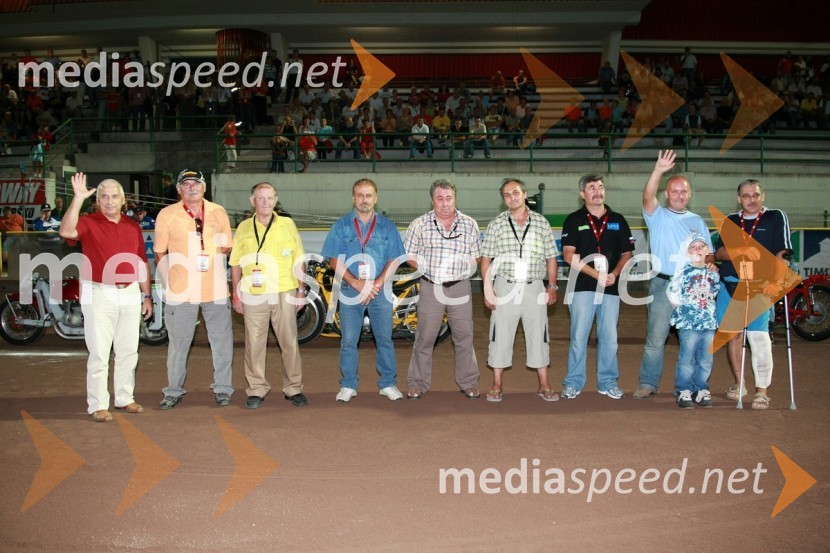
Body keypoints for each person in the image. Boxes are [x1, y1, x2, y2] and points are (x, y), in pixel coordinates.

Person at [58, 173, 152, 422]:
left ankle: (124, 398)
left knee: (128, 351)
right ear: (97, 200)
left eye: (114, 196)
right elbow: (67, 231)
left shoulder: (132, 226)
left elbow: (141, 261)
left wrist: (147, 295)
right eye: (104, 196)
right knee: (100, 352)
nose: (109, 201)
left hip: (131, 292)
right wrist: (78, 199)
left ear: (123, 200)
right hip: (99, 292)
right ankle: (98, 404)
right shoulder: (88, 222)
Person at [634, 150, 714, 399]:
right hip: (663, 285)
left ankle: (692, 387)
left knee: (693, 340)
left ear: (689, 194)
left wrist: (710, 265)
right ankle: (648, 383)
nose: (679, 195)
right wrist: (658, 170)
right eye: (675, 191)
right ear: (666, 194)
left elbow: (708, 253)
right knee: (656, 338)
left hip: (693, 289)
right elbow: (647, 196)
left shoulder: (698, 221)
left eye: (684, 191)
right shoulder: (657, 216)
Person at [154, 169, 234, 409]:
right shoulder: (166, 214)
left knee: (221, 342)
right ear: (179, 189)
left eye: (196, 183)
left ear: (204, 187)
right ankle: (173, 391)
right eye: (186, 184)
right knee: (179, 344)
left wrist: (209, 262)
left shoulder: (218, 211)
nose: (191, 187)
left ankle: (223, 389)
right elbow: (160, 252)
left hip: (216, 291)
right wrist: (171, 280)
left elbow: (226, 247)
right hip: (182, 292)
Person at [320, 178, 406, 403]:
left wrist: (376, 284)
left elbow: (395, 259)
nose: (364, 199)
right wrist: (356, 283)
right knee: (348, 340)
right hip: (350, 290)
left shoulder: (387, 226)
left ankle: (388, 383)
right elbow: (332, 259)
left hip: (380, 292)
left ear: (375, 198)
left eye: (368, 195)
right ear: (353, 198)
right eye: (360, 195)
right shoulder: (341, 225)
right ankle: (348, 384)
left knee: (384, 338)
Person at [714, 179, 792, 410]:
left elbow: (783, 251)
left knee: (759, 338)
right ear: (739, 198)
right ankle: (740, 384)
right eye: (746, 195)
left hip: (760, 286)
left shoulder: (776, 217)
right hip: (730, 286)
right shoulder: (730, 221)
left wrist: (776, 282)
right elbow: (719, 252)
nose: (751, 199)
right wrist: (739, 251)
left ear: (763, 196)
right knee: (734, 337)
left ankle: (762, 391)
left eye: (756, 195)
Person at [480, 178, 559, 402]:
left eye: (515, 192)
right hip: (505, 286)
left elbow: (551, 257)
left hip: (534, 287)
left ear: (525, 194)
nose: (512, 197)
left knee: (539, 334)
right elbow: (486, 259)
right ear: (504, 200)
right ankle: (497, 384)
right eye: (507, 194)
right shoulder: (496, 224)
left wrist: (551, 285)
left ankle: (544, 383)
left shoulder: (542, 223)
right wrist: (488, 289)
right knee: (500, 335)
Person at [230, 182, 307, 409]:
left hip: (284, 290)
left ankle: (294, 387)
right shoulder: (243, 228)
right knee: (254, 344)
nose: (266, 202)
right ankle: (256, 388)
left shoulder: (288, 225)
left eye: (270, 198)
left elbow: (298, 259)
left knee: (289, 342)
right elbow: (235, 264)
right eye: (261, 198)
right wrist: (235, 294)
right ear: (252, 201)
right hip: (253, 294)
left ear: (276, 200)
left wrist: (301, 291)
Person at [403, 179, 481, 399]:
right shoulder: (419, 224)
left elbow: (477, 255)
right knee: (425, 337)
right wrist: (429, 270)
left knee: (464, 337)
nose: (445, 203)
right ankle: (417, 382)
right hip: (431, 287)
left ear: (455, 198)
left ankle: (469, 382)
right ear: (432, 200)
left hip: (460, 288)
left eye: (449, 198)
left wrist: (463, 269)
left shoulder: (469, 224)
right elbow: (409, 255)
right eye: (440, 198)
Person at [560, 174, 634, 400]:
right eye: (592, 188)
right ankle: (573, 383)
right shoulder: (573, 220)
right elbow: (569, 255)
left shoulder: (618, 220)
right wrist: (596, 274)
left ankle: (608, 381)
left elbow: (627, 254)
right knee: (578, 338)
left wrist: (613, 274)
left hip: (611, 288)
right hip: (582, 287)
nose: (597, 191)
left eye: (601, 187)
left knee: (609, 339)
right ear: (582, 194)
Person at [667, 233, 719, 408]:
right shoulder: (682, 271)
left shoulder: (713, 273)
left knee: (706, 359)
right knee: (687, 358)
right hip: (689, 324)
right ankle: (683, 389)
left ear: (707, 251)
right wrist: (684, 310)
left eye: (701, 247)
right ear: (687, 251)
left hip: (708, 323)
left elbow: (715, 292)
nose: (697, 250)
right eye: (693, 247)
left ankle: (700, 388)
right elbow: (672, 292)